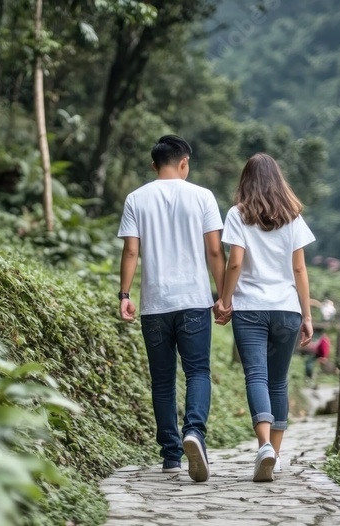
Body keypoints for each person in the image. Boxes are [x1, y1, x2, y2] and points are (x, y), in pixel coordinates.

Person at [117, 135, 225, 482]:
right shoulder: (203, 196)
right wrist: (224, 295)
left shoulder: (136, 198)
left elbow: (131, 251)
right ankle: (194, 432)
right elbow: (214, 252)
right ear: (184, 162)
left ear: (154, 165)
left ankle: (170, 455)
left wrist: (124, 294)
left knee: (162, 381)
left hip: (155, 305)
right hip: (194, 301)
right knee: (198, 372)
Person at [213, 152, 315, 482]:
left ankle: (264, 447)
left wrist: (224, 300)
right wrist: (307, 314)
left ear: (246, 180)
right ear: (278, 180)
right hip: (287, 308)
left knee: (256, 375)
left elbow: (235, 262)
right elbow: (299, 269)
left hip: (250, 309)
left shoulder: (237, 214)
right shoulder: (292, 216)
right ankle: (277, 454)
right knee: (279, 381)